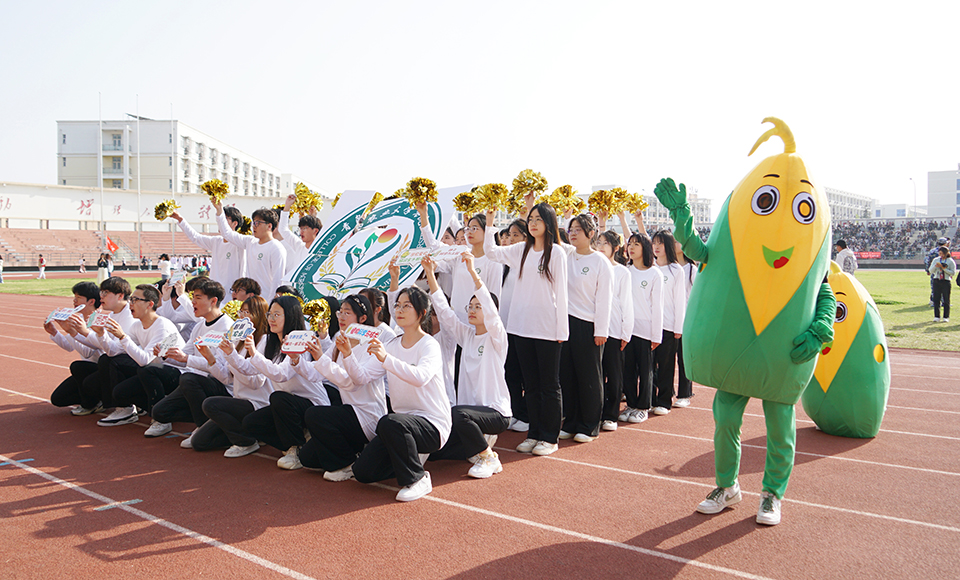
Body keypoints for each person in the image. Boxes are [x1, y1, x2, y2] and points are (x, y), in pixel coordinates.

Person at [348, 286, 451, 502]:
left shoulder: (429, 345)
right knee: (363, 472)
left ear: (422, 313)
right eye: (397, 305)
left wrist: (386, 359)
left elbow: (420, 376)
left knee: (389, 422)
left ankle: (417, 478)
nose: (399, 310)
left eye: (406, 305)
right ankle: (409, 456)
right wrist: (348, 355)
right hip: (402, 426)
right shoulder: (392, 345)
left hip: (431, 424)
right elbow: (362, 377)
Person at [483, 199, 568, 456]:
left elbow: (562, 294)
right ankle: (534, 433)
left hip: (547, 329)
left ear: (549, 223)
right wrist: (489, 224)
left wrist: (562, 332)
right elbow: (490, 252)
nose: (532, 224)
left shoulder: (557, 253)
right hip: (520, 327)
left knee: (549, 385)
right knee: (530, 385)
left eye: (538, 220)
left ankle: (549, 437)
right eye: (530, 219)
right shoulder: (520, 249)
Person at [423, 254, 512, 479]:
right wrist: (431, 276)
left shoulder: (497, 338)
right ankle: (481, 443)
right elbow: (445, 313)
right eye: (470, 306)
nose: (472, 310)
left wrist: (473, 273)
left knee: (459, 414)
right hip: (467, 415)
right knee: (435, 453)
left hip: (495, 413)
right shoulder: (468, 335)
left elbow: (492, 313)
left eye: (478, 306)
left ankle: (488, 457)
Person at [297, 294, 387, 480]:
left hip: (367, 416)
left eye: (348, 313)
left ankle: (345, 463)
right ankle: (354, 452)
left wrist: (338, 356)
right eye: (340, 312)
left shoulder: (373, 344)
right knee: (307, 457)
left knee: (315, 414)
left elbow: (354, 381)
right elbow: (316, 374)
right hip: (349, 412)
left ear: (363, 319)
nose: (342, 317)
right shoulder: (340, 338)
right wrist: (296, 360)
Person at [241, 295, 334, 469]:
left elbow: (281, 375)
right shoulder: (269, 341)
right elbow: (247, 368)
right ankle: (299, 443)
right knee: (251, 423)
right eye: (270, 314)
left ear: (290, 316)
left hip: (312, 406)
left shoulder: (302, 339)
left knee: (278, 398)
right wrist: (228, 353)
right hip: (288, 406)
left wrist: (253, 354)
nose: (271, 319)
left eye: (277, 315)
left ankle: (295, 449)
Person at [150, 278, 235, 443]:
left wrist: (186, 359)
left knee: (188, 379)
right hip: (198, 382)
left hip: (221, 385)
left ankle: (202, 425)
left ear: (213, 300)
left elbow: (222, 370)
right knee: (160, 412)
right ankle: (214, 420)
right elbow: (185, 356)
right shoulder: (199, 326)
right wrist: (168, 354)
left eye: (197, 297)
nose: (192, 302)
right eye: (192, 297)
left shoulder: (226, 328)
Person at [192, 295, 273, 455]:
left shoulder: (265, 341)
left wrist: (233, 360)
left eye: (247, 312)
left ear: (259, 315)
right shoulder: (237, 341)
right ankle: (250, 433)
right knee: (199, 442)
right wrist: (210, 358)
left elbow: (256, 382)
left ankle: (246, 441)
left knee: (211, 404)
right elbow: (226, 378)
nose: (242, 317)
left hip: (258, 404)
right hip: (239, 401)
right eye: (241, 312)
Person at [96, 284, 185, 429]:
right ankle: (129, 409)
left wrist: (123, 337)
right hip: (153, 370)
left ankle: (161, 419)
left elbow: (144, 360)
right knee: (119, 389)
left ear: (150, 304)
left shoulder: (162, 325)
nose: (131, 304)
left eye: (135, 300)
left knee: (147, 370)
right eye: (131, 300)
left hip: (175, 373)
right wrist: (101, 334)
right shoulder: (137, 325)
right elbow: (113, 352)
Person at [558, 214, 612, 443]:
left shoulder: (600, 262)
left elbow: (604, 299)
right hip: (564, 323)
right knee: (567, 374)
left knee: (589, 376)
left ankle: (589, 425)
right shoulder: (566, 255)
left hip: (588, 325)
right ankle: (571, 421)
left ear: (591, 234)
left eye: (578, 229)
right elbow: (553, 238)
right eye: (571, 228)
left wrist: (601, 330)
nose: (573, 232)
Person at [72, 276, 137, 418]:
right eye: (101, 292)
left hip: (133, 364)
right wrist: (75, 333)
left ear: (120, 296)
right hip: (118, 363)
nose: (101, 297)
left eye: (105, 293)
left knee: (106, 361)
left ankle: (125, 408)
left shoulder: (129, 317)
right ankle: (98, 403)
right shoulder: (112, 314)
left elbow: (116, 351)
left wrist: (96, 333)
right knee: (79, 371)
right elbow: (95, 345)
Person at [620, 233, 662, 424]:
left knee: (646, 370)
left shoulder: (654, 274)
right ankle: (630, 403)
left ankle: (643, 406)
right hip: (627, 329)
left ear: (645, 248)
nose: (631, 247)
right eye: (630, 244)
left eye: (636, 244)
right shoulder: (625, 271)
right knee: (627, 369)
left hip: (645, 330)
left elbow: (657, 306)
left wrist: (656, 335)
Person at [595, 229, 633, 430]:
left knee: (614, 373)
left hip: (614, 330)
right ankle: (597, 412)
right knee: (597, 374)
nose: (600, 247)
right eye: (598, 243)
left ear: (615, 248)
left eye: (605, 244)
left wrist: (626, 332)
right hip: (595, 329)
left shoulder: (622, 272)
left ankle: (611, 414)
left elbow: (627, 303)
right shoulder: (594, 267)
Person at [214, 200, 286, 300]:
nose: (254, 226)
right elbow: (227, 234)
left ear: (269, 226)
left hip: (264, 301)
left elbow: (277, 280)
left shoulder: (276, 248)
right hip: (249, 301)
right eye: (253, 223)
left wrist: (270, 303)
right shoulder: (250, 242)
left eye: (258, 223)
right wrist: (219, 211)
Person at [47, 282, 103, 411]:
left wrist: (71, 332)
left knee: (77, 366)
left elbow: (87, 351)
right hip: (84, 371)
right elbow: (69, 346)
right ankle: (98, 399)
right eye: (74, 297)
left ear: (91, 301)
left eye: (78, 298)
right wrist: (54, 333)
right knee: (58, 399)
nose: (74, 301)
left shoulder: (98, 320)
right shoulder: (80, 319)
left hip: (98, 371)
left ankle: (94, 402)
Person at [650, 230, 686, 415]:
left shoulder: (675, 270)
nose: (656, 247)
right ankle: (651, 399)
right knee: (649, 365)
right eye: (654, 243)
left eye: (660, 243)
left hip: (668, 325)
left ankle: (664, 401)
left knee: (665, 364)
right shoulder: (650, 267)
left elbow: (679, 301)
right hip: (649, 326)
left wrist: (678, 328)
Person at [499, 219, 529, 432]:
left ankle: (526, 415)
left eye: (516, 235)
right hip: (505, 328)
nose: (510, 239)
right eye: (509, 235)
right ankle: (514, 411)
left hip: (524, 326)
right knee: (510, 373)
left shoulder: (526, 261)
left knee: (525, 374)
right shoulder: (504, 264)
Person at [170, 207, 246, 290]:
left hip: (232, 292)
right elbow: (195, 237)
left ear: (235, 223)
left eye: (224, 219)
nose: (220, 222)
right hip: (215, 291)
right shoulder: (216, 241)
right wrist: (180, 219)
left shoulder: (241, 243)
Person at [276, 195, 322, 283]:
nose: (301, 232)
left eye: (305, 228)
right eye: (300, 228)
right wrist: (287, 206)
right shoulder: (299, 246)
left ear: (315, 231)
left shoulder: (321, 251)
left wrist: (313, 216)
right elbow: (283, 229)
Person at [674, 241, 698, 408]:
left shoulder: (691, 269)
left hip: (685, 321)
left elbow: (697, 296)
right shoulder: (666, 267)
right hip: (668, 320)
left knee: (683, 359)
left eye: (678, 241)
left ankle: (684, 394)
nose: (675, 243)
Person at [928, 246, 955, 322]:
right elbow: (931, 270)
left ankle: (946, 317)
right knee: (936, 299)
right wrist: (935, 266)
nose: (941, 255)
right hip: (937, 280)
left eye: (942, 253)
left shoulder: (950, 261)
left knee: (946, 299)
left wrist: (944, 268)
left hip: (946, 281)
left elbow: (952, 273)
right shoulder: (936, 260)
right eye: (940, 253)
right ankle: (937, 316)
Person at [925, 237, 950, 307]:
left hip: (934, 271)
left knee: (934, 286)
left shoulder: (932, 251)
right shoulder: (946, 251)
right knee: (944, 287)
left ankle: (933, 301)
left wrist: (928, 270)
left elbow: (927, 261)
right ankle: (943, 302)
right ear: (945, 243)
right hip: (943, 271)